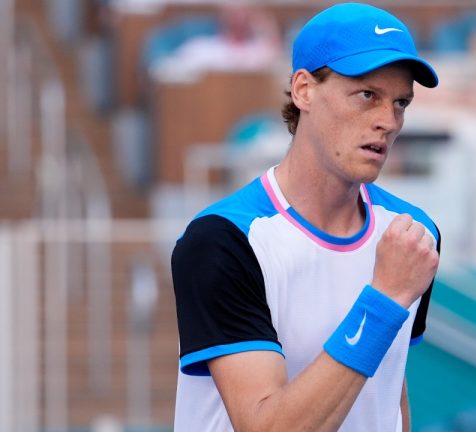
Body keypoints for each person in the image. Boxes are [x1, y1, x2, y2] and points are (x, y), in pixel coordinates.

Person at [171, 3, 440, 432]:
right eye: (367, 95)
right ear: (303, 90)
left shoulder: (413, 233)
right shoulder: (223, 240)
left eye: (401, 102)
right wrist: (385, 300)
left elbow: (389, 390)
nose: (388, 121)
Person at [168, 1, 282, 72]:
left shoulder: (261, 51)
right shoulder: (200, 48)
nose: (238, 19)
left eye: (243, 13)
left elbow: (278, 69)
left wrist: (266, 28)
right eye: (233, 13)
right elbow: (172, 72)